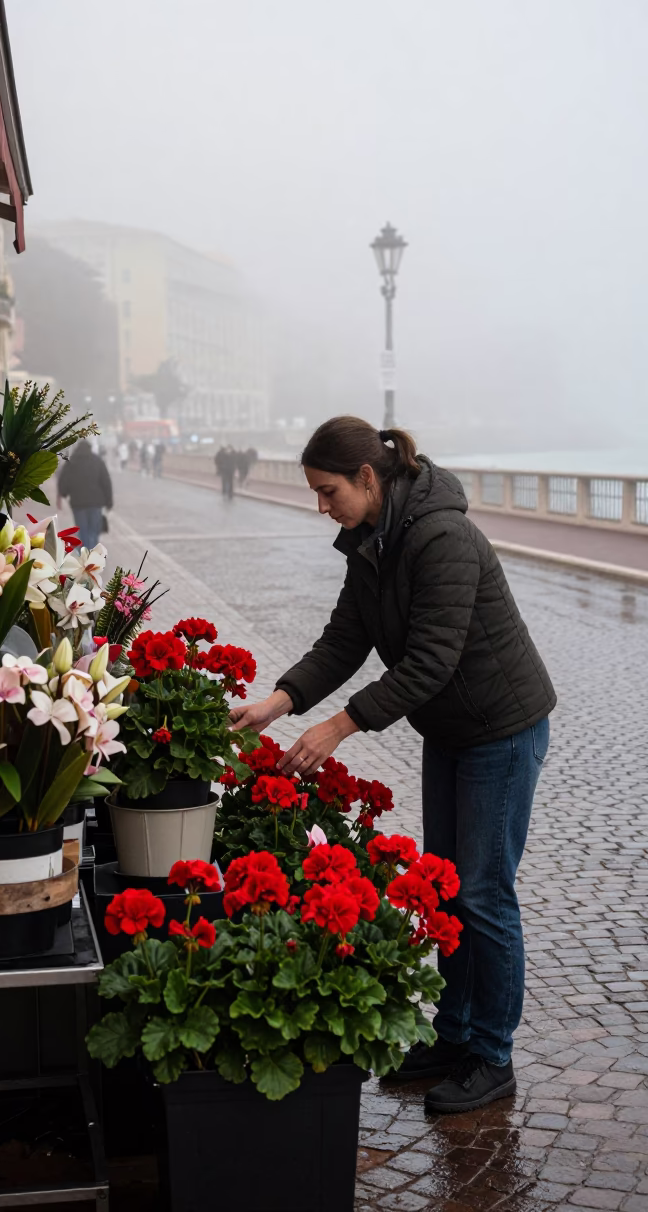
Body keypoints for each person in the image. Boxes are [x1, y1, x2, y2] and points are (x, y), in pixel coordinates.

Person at [231, 416, 556, 1114]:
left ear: (368, 479)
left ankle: (492, 1056)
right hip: (452, 731)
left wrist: (341, 725)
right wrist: (279, 701)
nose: (322, 507)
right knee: (450, 890)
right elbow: (346, 638)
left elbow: (432, 661)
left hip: (501, 729)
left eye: (328, 492)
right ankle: (455, 1034)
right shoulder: (372, 543)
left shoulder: (444, 538)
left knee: (483, 894)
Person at [57, 439, 113, 551]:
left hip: (78, 504)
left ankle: (84, 556)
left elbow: (63, 481)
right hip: (96, 503)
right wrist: (109, 502)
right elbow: (106, 482)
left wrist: (64, 493)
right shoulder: (97, 461)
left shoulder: (71, 462)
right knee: (93, 531)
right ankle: (92, 557)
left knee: (82, 531)